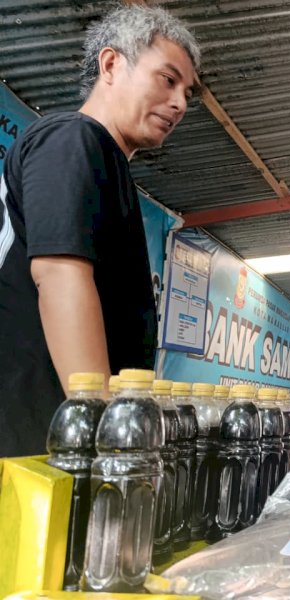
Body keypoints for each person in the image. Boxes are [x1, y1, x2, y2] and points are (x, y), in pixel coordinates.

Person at [0, 5, 200, 457]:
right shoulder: (74, 138)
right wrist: (99, 429)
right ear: (111, 64)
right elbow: (58, 275)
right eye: (167, 80)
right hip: (35, 442)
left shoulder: (106, 163)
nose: (181, 103)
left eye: (188, 92)